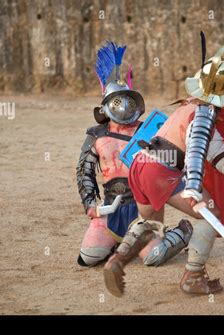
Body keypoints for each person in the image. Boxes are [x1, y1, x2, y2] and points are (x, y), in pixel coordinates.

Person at [103, 33, 224, 296]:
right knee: (212, 214)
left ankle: (118, 261)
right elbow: (196, 150)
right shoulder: (204, 115)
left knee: (150, 224)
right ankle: (193, 276)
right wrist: (193, 186)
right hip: (161, 170)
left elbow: (214, 151)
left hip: (140, 165)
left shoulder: (187, 107)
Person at [76, 41, 191, 267]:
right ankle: (116, 241)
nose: (124, 105)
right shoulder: (96, 136)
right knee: (88, 258)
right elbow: (84, 171)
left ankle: (182, 232)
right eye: (118, 101)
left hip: (143, 208)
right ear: (106, 106)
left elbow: (174, 162)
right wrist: (92, 206)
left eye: (127, 99)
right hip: (111, 210)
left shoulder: (150, 130)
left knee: (152, 257)